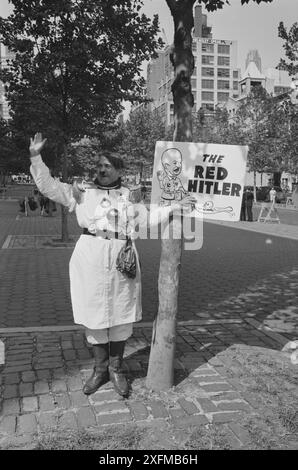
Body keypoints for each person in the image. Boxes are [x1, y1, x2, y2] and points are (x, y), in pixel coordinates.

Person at [29, 133, 195, 397]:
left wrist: (175, 206)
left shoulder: (130, 195)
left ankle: (116, 369)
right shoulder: (81, 192)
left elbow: (147, 221)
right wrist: (36, 156)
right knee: (93, 312)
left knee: (121, 311)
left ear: (119, 170)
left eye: (107, 165)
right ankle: (99, 370)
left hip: (122, 257)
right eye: (99, 165)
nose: (101, 169)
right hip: (90, 256)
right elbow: (48, 186)